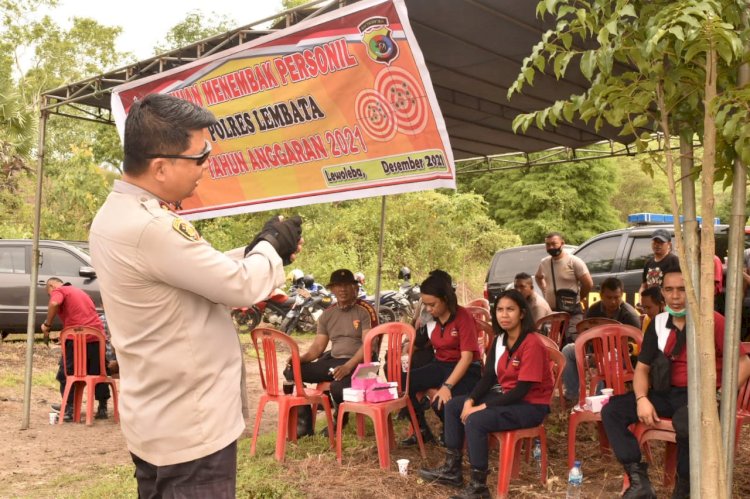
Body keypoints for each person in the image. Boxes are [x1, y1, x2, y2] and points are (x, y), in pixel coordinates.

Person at [89, 93, 302, 498]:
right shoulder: (151, 226)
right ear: (161, 166)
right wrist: (271, 247)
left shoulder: (117, 215)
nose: (206, 166)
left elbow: (191, 270)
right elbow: (237, 286)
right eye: (200, 156)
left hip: (159, 417)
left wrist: (258, 249)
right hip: (191, 428)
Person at [601, 268, 750, 499]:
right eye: (669, 290)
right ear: (662, 293)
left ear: (693, 291)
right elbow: (642, 368)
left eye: (682, 289)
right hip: (667, 393)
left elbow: (744, 362)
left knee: (686, 420)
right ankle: (639, 482)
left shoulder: (712, 321)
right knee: (612, 410)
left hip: (705, 397)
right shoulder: (658, 323)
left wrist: (719, 396)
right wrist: (641, 399)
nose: (676, 296)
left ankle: (685, 488)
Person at [419, 289, 553, 498]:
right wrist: (471, 399)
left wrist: (483, 406)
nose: (504, 315)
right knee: (454, 405)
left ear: (522, 313)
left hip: (530, 405)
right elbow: (488, 377)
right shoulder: (500, 340)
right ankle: (452, 470)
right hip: (508, 398)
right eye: (500, 310)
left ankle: (479, 486)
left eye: (510, 309)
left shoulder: (532, 343)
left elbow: (522, 390)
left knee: (476, 420)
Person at [283, 268, 377, 437]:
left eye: (347, 285)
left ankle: (339, 420)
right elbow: (318, 348)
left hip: (361, 363)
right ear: (332, 289)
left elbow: (369, 345)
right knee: (292, 369)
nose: (342, 289)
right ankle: (304, 424)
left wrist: (348, 366)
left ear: (355, 288)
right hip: (335, 362)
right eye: (338, 286)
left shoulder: (364, 311)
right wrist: (300, 358)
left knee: (338, 388)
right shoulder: (327, 315)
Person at [402, 270, 482, 447]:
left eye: (432, 304)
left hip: (467, 369)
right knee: (404, 381)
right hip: (441, 365)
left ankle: (453, 433)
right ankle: (422, 430)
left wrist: (446, 386)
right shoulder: (430, 318)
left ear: (445, 298)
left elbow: (467, 358)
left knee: (443, 401)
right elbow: (418, 341)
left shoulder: (463, 317)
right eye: (426, 304)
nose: (429, 309)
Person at [561, 277, 640, 403]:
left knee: (607, 360)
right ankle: (572, 395)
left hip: (622, 359)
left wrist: (605, 355)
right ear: (601, 295)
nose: (613, 301)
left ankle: (599, 402)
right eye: (609, 297)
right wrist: (592, 353)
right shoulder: (594, 310)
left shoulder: (629, 316)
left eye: (617, 297)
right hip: (595, 353)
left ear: (622, 295)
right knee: (568, 350)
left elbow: (634, 347)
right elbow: (586, 336)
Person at [41, 278, 111, 422]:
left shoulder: (60, 290)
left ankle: (70, 408)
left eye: (49, 293)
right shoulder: (81, 292)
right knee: (97, 373)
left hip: (76, 338)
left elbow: (54, 303)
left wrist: (47, 325)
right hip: (97, 338)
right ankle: (102, 408)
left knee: (65, 373)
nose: (51, 297)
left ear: (52, 286)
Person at [535, 232, 593, 338]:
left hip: (572, 312)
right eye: (548, 245)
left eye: (554, 244)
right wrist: (544, 290)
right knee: (554, 344)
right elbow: (538, 277)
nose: (551, 247)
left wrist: (578, 298)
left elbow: (588, 284)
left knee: (572, 341)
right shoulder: (544, 263)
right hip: (553, 313)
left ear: (562, 243)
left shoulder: (574, 261)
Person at [639, 228, 679, 294]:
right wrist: (641, 300)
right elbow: (644, 286)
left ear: (669, 244)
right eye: (655, 242)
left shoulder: (674, 261)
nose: (657, 245)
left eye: (661, 242)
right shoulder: (648, 262)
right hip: (651, 303)